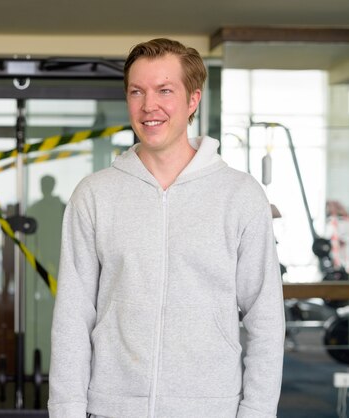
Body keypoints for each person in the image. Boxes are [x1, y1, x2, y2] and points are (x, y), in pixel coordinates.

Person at [48, 38, 285, 418]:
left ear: (193, 100)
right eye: (137, 92)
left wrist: (256, 412)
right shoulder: (95, 195)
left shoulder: (239, 196)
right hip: (111, 409)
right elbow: (73, 318)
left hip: (211, 409)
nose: (148, 106)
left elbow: (266, 319)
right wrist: (67, 411)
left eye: (164, 91)